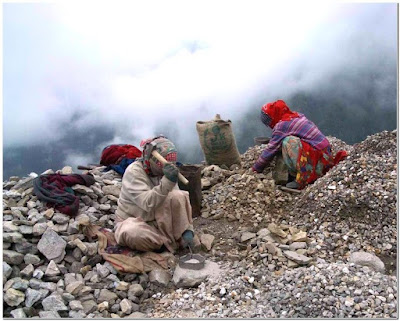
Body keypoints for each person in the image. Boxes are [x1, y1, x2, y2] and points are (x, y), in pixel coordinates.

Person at [114, 135, 196, 253]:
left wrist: (188, 228)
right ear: (151, 160)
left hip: (158, 218)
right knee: (132, 233)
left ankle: (176, 237)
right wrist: (168, 181)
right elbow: (147, 203)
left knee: (179, 196)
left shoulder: (166, 171)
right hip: (133, 220)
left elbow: (177, 201)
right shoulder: (133, 172)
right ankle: (165, 243)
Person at [252, 100, 347, 189]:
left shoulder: (281, 126)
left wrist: (255, 169)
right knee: (284, 142)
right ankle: (306, 171)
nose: (269, 125)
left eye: (268, 121)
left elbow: (270, 151)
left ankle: (303, 178)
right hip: (326, 155)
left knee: (288, 142)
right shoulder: (296, 116)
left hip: (319, 159)